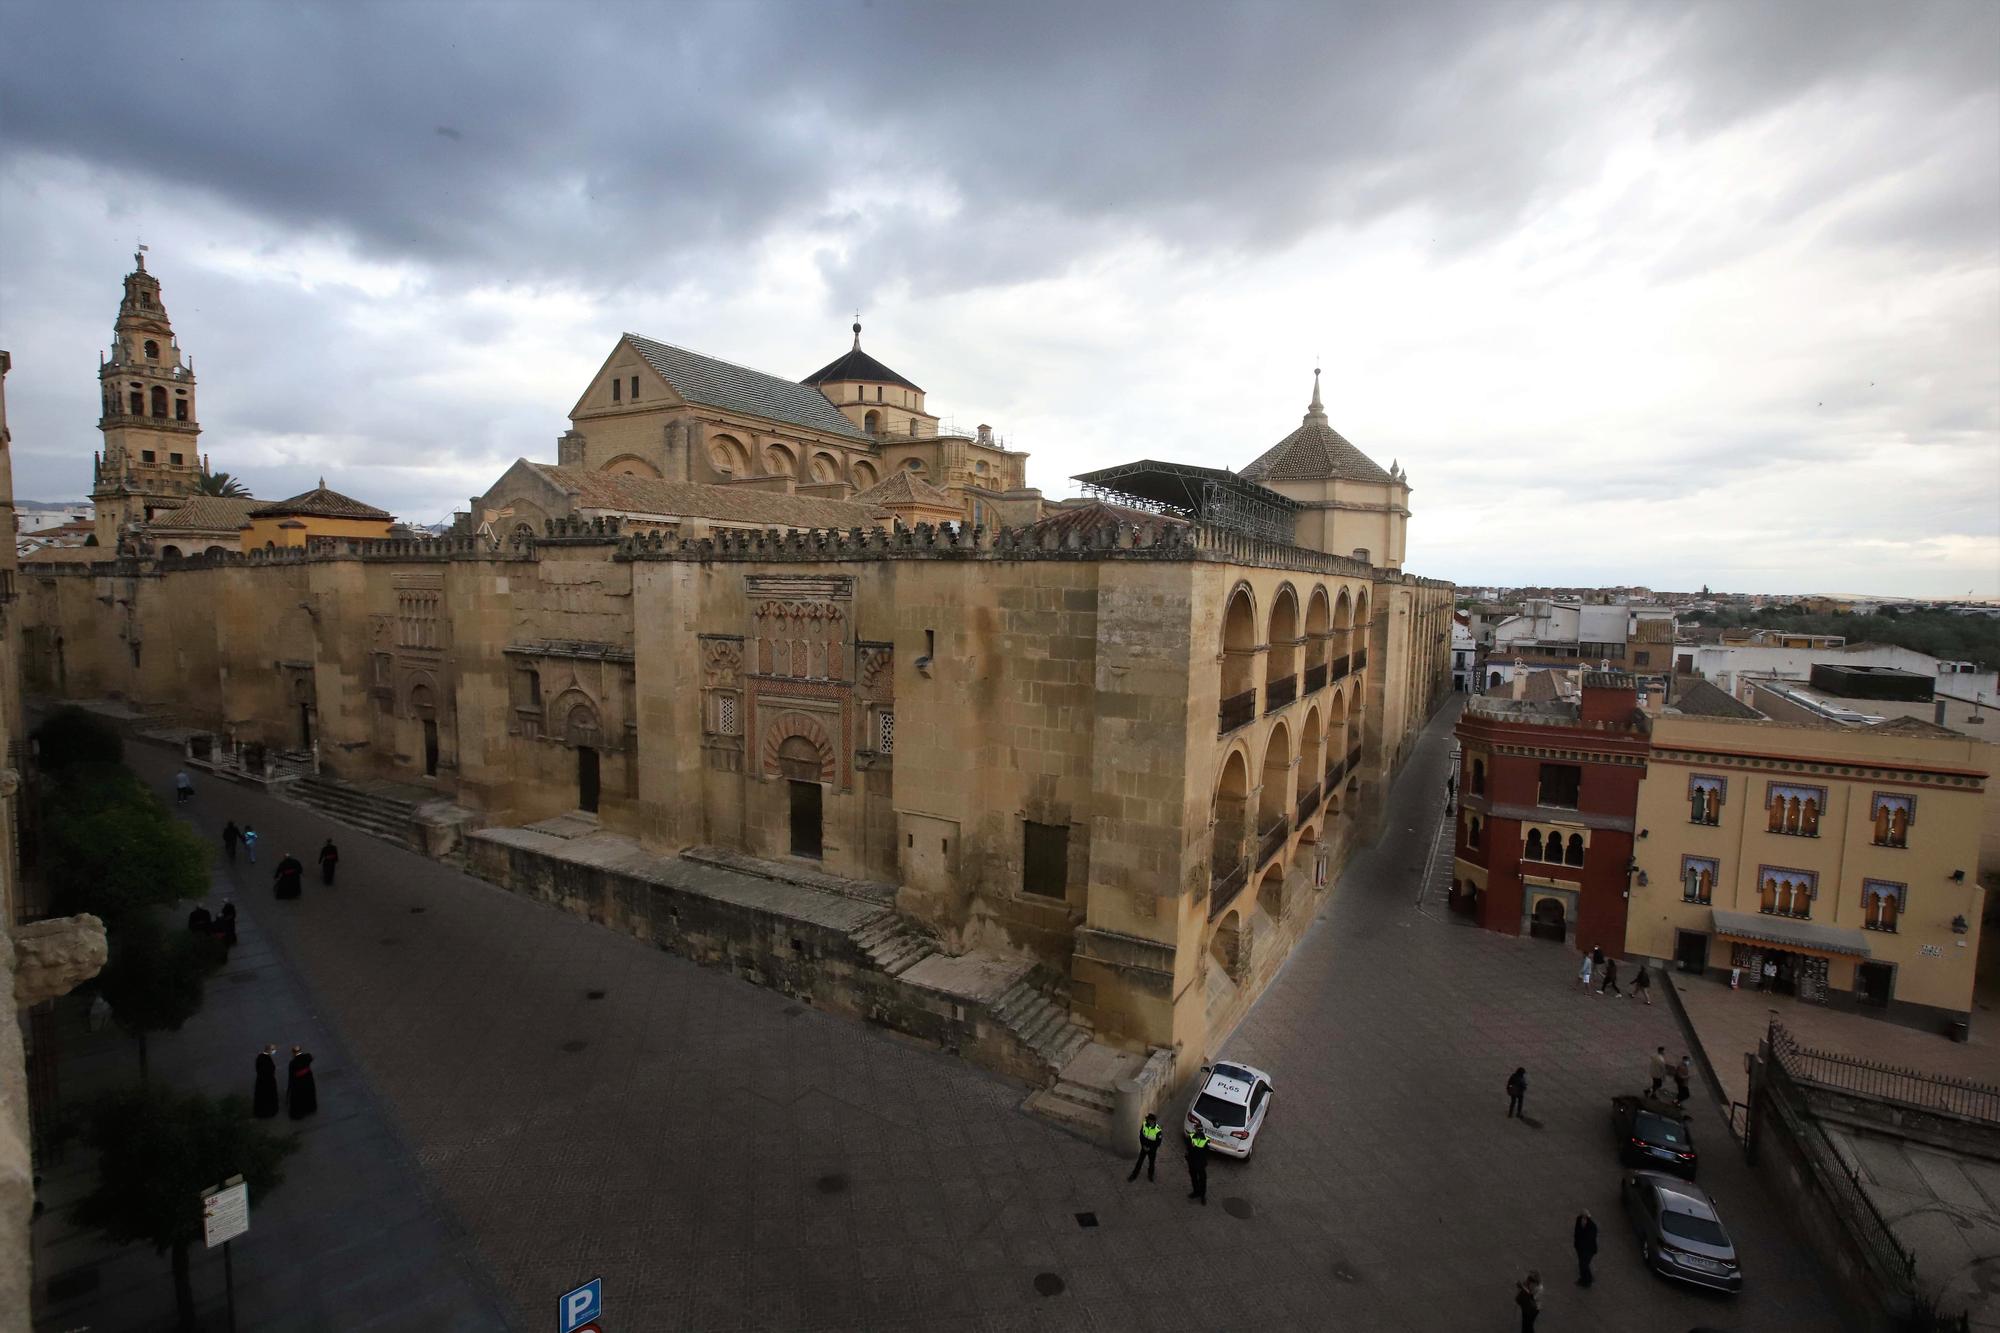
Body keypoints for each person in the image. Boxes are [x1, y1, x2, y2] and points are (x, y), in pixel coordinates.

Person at [1128, 1112, 1162, 1183]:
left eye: (1150, 1120)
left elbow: (1158, 1143)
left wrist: (1150, 1148)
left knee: (1151, 1163)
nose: (1148, 1121)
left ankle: (1150, 1175)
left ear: (1153, 1121)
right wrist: (1143, 1145)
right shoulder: (1144, 1124)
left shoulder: (1158, 1130)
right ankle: (1134, 1175)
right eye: (1148, 1120)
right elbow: (1141, 1136)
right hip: (1144, 1148)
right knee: (1139, 1162)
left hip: (1152, 1150)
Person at [287, 1045, 317, 1119]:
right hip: (308, 1079)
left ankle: (299, 1113)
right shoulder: (307, 1056)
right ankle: (310, 1108)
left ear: (293, 1053)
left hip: (298, 1082)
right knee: (309, 1093)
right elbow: (312, 1057)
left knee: (299, 1097)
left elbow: (291, 1075)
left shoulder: (293, 1063)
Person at [1184, 1123, 1210, 1204]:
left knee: (1202, 1180)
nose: (1198, 1131)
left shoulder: (1206, 1140)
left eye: (1200, 1130)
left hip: (1201, 1164)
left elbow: (1206, 1153)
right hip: (1192, 1162)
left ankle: (1202, 1196)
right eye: (1197, 1129)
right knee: (1194, 1178)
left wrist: (1194, 1148)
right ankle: (1196, 1192)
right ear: (1195, 1129)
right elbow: (1188, 1149)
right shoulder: (1190, 1137)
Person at [253, 1045, 280, 1119]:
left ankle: (261, 1112)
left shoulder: (260, 1057)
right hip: (269, 1081)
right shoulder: (267, 1059)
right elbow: (271, 1069)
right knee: (269, 1096)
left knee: (261, 1097)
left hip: (261, 1081)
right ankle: (270, 1111)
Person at [1573, 1211, 1598, 1286]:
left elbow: (1588, 1239)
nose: (1583, 1220)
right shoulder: (1578, 1222)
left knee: (1584, 1265)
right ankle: (1584, 1279)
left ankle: (1587, 1280)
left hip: (1589, 1250)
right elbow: (1576, 1234)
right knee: (1582, 1264)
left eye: (1585, 1218)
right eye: (1582, 1218)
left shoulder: (1592, 1227)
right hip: (1580, 1248)